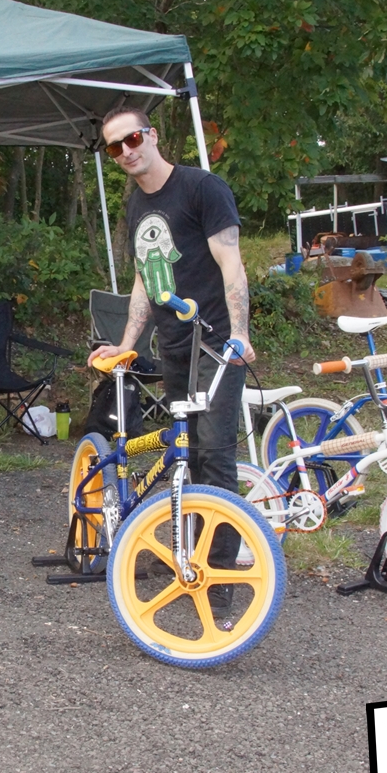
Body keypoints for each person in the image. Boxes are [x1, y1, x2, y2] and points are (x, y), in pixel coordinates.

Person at [87, 106, 254, 615]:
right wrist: (127, 342)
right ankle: (191, 555)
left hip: (215, 345)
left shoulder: (202, 188)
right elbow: (144, 279)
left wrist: (240, 334)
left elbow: (231, 263)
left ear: (152, 135)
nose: (126, 151)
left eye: (132, 138)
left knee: (215, 458)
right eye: (114, 146)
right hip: (174, 347)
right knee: (189, 456)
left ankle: (219, 578)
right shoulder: (137, 205)